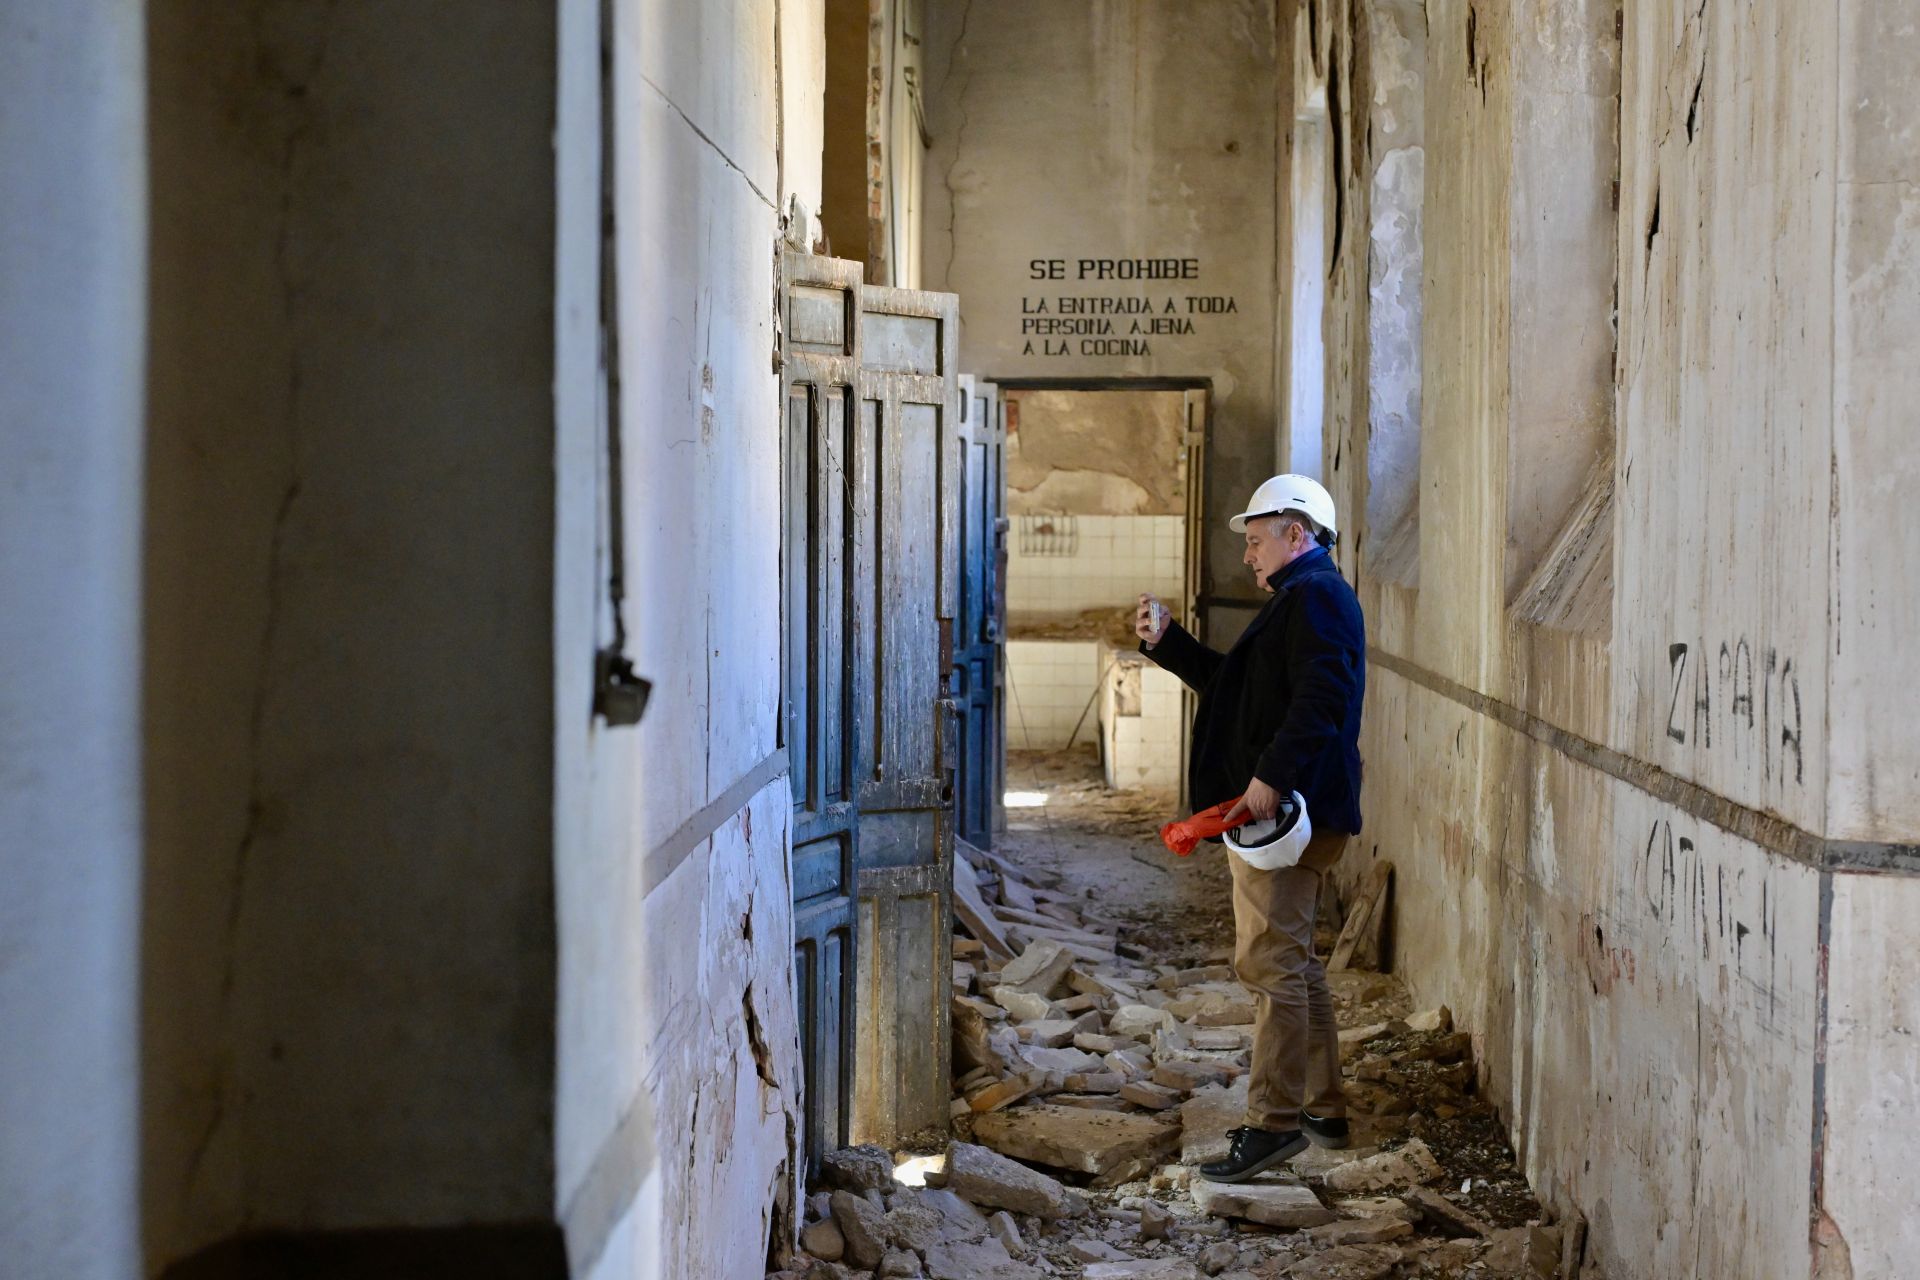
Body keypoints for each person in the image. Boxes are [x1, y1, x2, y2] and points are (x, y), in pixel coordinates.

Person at [1134, 474, 1366, 1183]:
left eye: (1257, 539)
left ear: (1297, 535)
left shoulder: (1317, 597)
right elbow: (1237, 688)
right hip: (1298, 807)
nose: (1248, 555)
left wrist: (1271, 777)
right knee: (1294, 963)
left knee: (1270, 967)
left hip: (1291, 811)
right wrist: (1170, 643)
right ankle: (1323, 1107)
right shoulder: (1300, 598)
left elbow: (1323, 697)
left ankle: (1272, 1126)